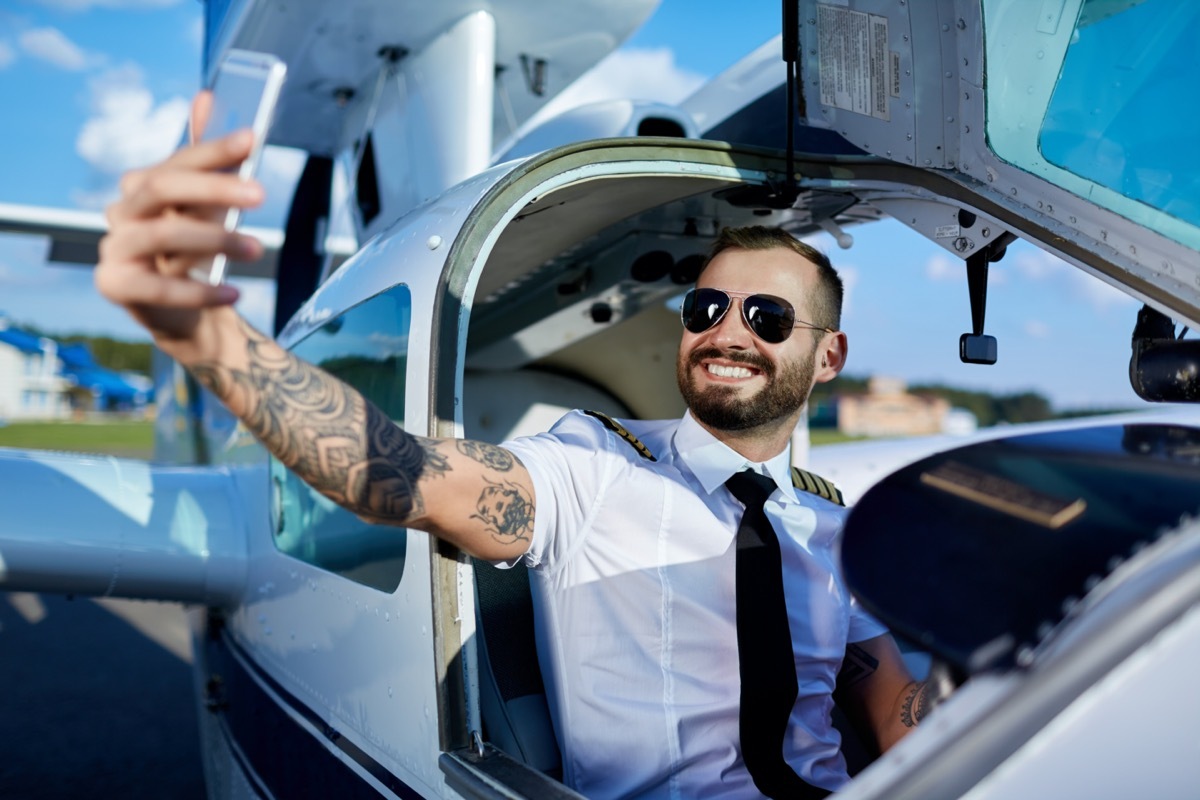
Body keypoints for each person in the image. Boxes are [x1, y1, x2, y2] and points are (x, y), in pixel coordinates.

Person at [97, 99, 931, 798]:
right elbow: (401, 477)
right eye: (706, 308)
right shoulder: (595, 467)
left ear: (829, 356)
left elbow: (891, 709)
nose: (727, 333)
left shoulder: (832, 522)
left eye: (768, 317)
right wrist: (204, 334)